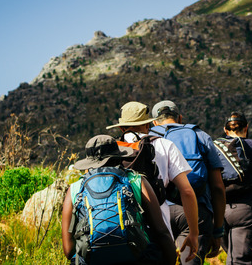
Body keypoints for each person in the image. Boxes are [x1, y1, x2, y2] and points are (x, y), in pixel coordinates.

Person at [106, 101, 199, 263]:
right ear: (148, 124)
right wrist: (194, 233)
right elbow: (187, 191)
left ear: (121, 128)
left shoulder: (111, 149)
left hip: (118, 230)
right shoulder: (165, 145)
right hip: (159, 231)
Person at [62, 135, 177, 265]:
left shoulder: (75, 188)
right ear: (118, 157)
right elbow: (161, 232)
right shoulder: (136, 181)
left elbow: (68, 250)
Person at [150, 100, 226, 265]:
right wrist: (218, 230)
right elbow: (218, 187)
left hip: (157, 213)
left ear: (154, 122)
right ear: (180, 118)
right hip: (196, 213)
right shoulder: (200, 136)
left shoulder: (147, 138)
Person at [215, 112, 252, 265]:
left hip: (219, 210)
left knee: (231, 257)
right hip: (245, 208)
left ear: (225, 130)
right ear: (246, 128)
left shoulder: (214, 147)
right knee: (242, 259)